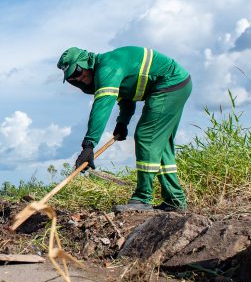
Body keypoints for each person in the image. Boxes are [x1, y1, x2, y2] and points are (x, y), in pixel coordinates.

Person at [57, 46, 192, 212]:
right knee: (160, 145)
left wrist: (89, 146)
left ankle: (142, 199)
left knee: (146, 136)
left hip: (170, 84)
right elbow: (127, 98)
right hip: (177, 84)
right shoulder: (109, 70)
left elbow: (102, 107)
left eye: (78, 71)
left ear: (87, 62)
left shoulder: (107, 67)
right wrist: (122, 122)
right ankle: (175, 200)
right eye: (72, 77)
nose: (78, 78)